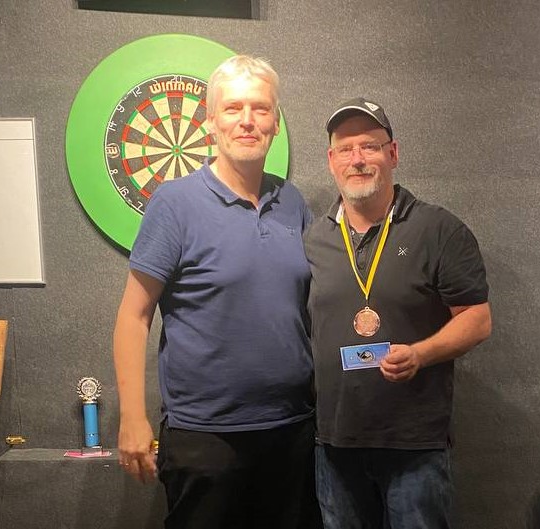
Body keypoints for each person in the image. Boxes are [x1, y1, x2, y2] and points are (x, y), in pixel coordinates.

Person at [113, 55, 320, 529]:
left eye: (260, 109)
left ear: (275, 123)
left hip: (292, 431)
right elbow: (133, 316)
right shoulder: (174, 203)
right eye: (232, 108)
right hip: (206, 439)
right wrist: (132, 417)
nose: (247, 120)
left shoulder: (292, 203)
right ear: (210, 122)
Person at [303, 97, 492, 529]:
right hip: (334, 444)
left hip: (414, 446)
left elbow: (477, 319)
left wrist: (421, 354)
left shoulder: (438, 229)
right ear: (331, 161)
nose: (357, 159)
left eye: (370, 146)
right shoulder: (314, 238)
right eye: (346, 149)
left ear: (393, 153)